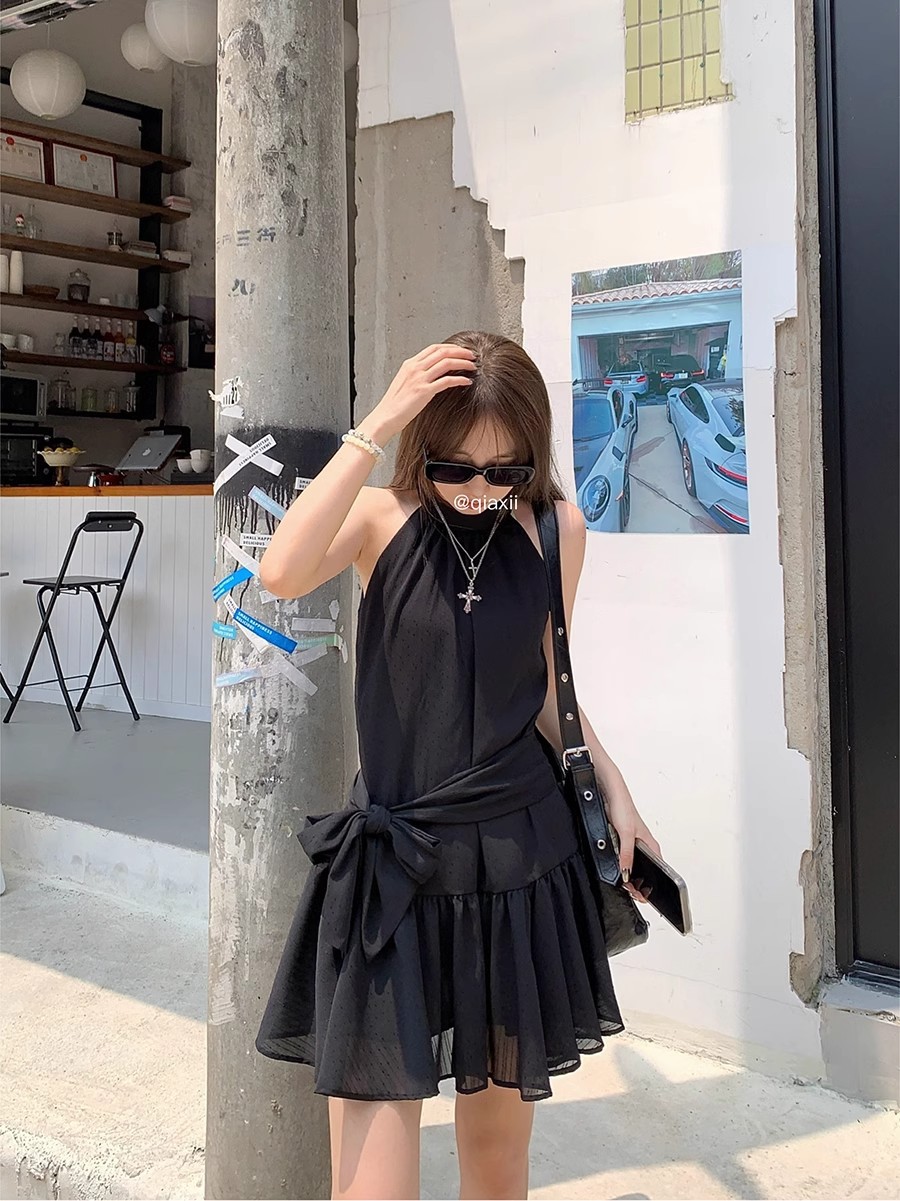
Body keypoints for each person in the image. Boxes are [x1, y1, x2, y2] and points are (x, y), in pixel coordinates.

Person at [255, 332, 661, 1200]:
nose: (478, 489)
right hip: (393, 870)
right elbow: (281, 573)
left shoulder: (556, 529)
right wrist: (376, 421)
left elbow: (547, 687)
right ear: (422, 444)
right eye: (455, 467)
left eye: (504, 469)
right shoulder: (378, 517)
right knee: (371, 1185)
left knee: (497, 1164)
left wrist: (616, 793)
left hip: (517, 867)